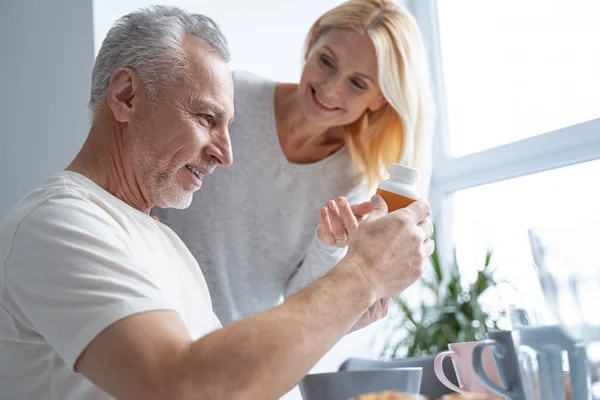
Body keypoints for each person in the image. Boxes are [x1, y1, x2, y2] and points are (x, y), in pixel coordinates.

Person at [0, 6, 433, 400]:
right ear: (127, 96)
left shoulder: (167, 246)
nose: (227, 154)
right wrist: (363, 274)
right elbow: (184, 386)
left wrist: (349, 300)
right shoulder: (59, 222)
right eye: (208, 119)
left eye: (229, 124)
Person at [153, 0, 436, 326]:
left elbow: (298, 298)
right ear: (312, 41)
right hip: (151, 309)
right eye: (327, 61)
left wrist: (329, 247)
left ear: (380, 98)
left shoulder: (353, 181)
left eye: (357, 83)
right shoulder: (233, 97)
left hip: (237, 346)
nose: (331, 89)